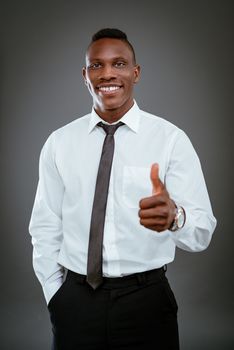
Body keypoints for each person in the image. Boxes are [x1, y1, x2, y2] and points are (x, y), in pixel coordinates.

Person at [29, 28, 217, 350]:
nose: (107, 74)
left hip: (146, 302)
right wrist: (55, 295)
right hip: (76, 302)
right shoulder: (59, 143)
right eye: (96, 65)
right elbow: (45, 227)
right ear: (85, 75)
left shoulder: (170, 140)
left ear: (135, 72)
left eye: (119, 64)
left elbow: (202, 232)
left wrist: (175, 217)